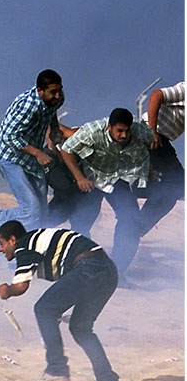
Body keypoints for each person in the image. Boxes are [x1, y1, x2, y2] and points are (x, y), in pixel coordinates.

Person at [0, 220, 121, 381]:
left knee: (44, 309)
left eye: (1, 243)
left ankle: (56, 369)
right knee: (80, 328)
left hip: (88, 267)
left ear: (13, 240)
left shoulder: (25, 246)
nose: (0, 249)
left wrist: (7, 290)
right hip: (109, 271)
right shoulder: (38, 241)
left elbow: (20, 287)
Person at [59, 108, 151, 281]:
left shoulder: (140, 130)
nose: (124, 135)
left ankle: (116, 271)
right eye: (120, 131)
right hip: (92, 178)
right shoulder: (93, 130)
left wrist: (148, 171)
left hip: (118, 178)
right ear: (110, 127)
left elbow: (153, 141)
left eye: (127, 131)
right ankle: (82, 265)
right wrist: (79, 177)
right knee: (81, 222)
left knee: (131, 220)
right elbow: (66, 149)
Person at [0, 69, 65, 241]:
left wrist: (54, 129)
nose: (57, 95)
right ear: (40, 91)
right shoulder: (27, 106)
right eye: (53, 92)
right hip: (11, 157)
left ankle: (24, 246)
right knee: (31, 211)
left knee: (41, 214)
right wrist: (38, 152)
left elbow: (52, 112)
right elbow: (9, 137)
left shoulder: (57, 99)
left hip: (30, 159)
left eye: (59, 90)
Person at [139, 81, 184, 236]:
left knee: (173, 188)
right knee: (177, 183)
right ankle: (135, 226)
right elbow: (156, 95)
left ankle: (135, 227)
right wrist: (152, 131)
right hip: (151, 133)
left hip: (162, 140)